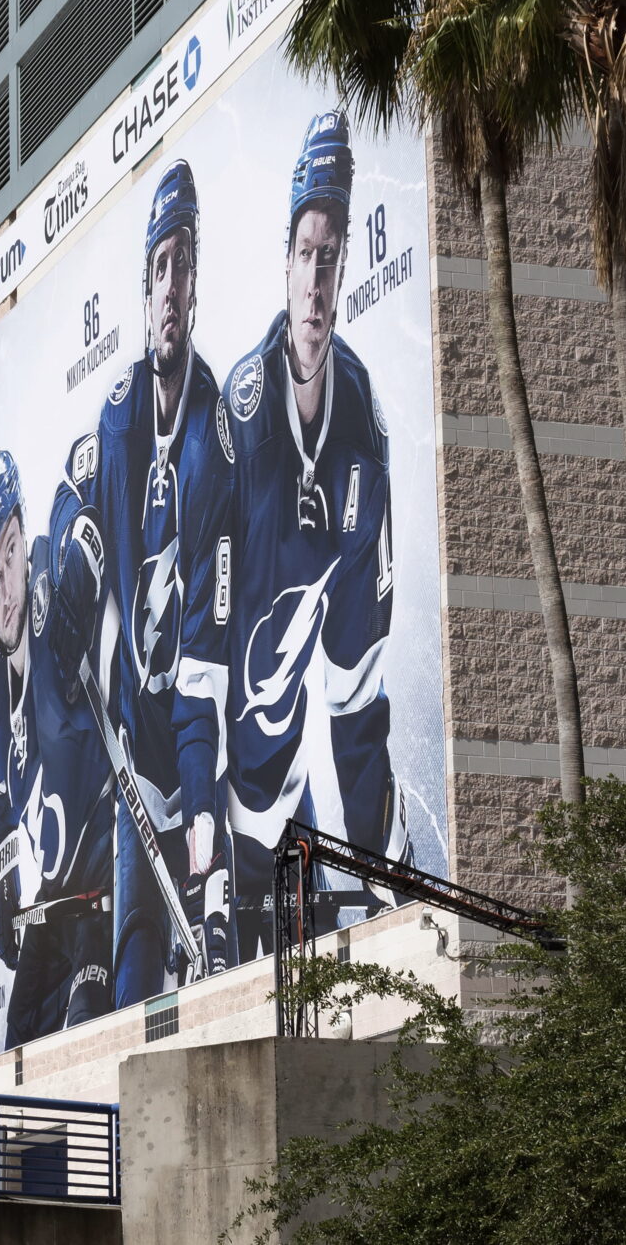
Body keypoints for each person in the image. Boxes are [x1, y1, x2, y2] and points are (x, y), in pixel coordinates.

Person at [181, 112, 405, 960]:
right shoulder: (234, 427)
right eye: (305, 251)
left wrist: (384, 872)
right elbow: (201, 664)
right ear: (285, 261)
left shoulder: (363, 428)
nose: (316, 278)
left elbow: (354, 690)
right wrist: (202, 818)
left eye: (331, 254)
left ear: (345, 266)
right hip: (231, 783)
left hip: (291, 781)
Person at [45, 161, 229, 1007]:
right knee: (134, 957)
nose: (170, 286)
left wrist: (199, 808)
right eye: (159, 266)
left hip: (195, 729)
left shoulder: (215, 428)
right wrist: (69, 571)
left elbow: (206, 642)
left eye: (183, 266)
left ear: (196, 286)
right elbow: (72, 504)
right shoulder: (117, 415)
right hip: (127, 734)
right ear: (144, 284)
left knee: (217, 926)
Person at [0, 451, 114, 1049]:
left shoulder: (52, 600)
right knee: (15, 1048)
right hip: (52, 912)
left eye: (12, 556)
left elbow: (84, 525)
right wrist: (4, 903)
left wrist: (70, 496)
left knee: (87, 1030)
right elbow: (6, 814)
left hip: (105, 894)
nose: (7, 589)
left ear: (24, 540)